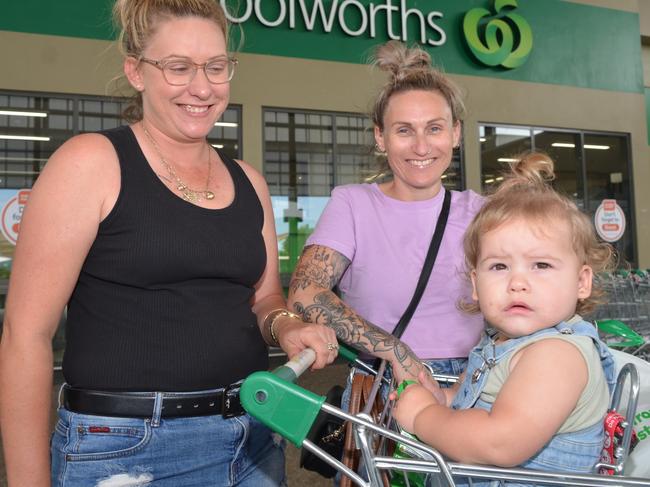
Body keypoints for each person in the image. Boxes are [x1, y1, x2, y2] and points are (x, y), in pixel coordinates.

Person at [0, 1, 338, 485]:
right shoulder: (91, 164)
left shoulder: (249, 182)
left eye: (216, 67)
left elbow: (264, 299)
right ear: (136, 71)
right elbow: (25, 337)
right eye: (178, 67)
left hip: (254, 438)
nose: (201, 88)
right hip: (127, 450)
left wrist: (285, 327)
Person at [392, 153, 617, 483]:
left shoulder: (557, 356)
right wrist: (440, 397)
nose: (517, 282)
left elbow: (500, 443)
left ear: (582, 282)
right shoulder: (499, 342)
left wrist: (425, 415)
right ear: (475, 284)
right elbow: (471, 395)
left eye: (541, 265)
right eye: (499, 266)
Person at [287, 41, 484, 384]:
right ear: (381, 137)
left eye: (435, 128)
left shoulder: (483, 212)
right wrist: (395, 350)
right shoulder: (353, 204)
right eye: (404, 130)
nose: (421, 147)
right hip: (383, 382)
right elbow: (305, 293)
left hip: (476, 380)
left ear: (455, 133)